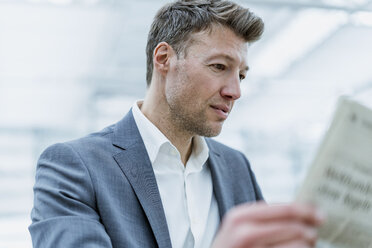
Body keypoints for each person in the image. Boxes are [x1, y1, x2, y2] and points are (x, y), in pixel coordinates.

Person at [29, 0, 325, 247]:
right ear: (163, 59)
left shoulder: (237, 168)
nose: (235, 91)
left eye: (241, 75)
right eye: (219, 67)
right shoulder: (74, 166)